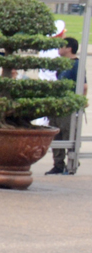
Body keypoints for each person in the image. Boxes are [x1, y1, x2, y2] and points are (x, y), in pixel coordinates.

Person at [48, 36, 79, 175]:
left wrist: (78, 103)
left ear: (69, 48)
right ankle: (58, 165)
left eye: (62, 46)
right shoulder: (61, 64)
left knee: (68, 135)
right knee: (56, 136)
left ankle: (72, 163)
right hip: (57, 105)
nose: (59, 48)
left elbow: (83, 86)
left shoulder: (77, 64)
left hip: (67, 107)